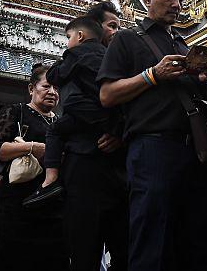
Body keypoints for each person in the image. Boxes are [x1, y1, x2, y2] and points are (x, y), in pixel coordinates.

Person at [98, 0, 207, 271]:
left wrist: (204, 77)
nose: (177, 4)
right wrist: (152, 75)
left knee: (200, 240)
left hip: (196, 151)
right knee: (151, 238)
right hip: (153, 148)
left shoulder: (183, 46)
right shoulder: (127, 40)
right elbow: (107, 95)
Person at [26, 14, 128, 271]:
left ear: (80, 36)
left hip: (101, 163)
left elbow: (56, 73)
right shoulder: (115, 62)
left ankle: (49, 180)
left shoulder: (79, 56)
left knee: (90, 250)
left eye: (68, 37)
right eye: (111, 26)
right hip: (93, 157)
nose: (115, 32)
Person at [0, 65, 70, 271]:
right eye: (47, 86)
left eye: (57, 89)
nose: (52, 92)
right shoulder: (16, 111)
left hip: (54, 205)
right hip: (18, 203)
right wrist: (33, 147)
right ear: (32, 89)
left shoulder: (61, 123)